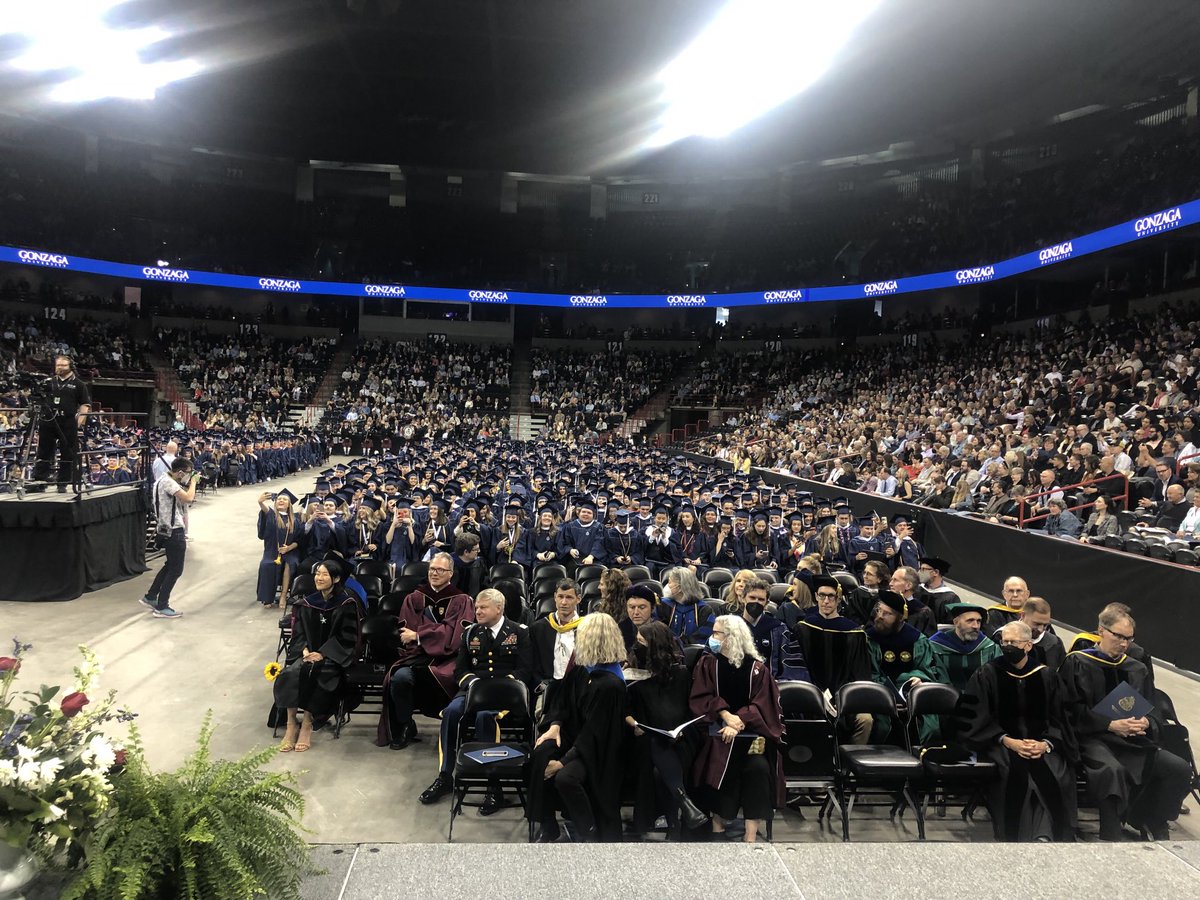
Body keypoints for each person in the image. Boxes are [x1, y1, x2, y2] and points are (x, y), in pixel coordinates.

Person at [1060, 607, 1192, 841]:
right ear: (1101, 631)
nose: (1123, 644)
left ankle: (1152, 819)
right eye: (1118, 636)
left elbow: (1153, 709)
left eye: (1129, 638)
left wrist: (1146, 722)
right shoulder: (1077, 662)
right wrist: (1109, 725)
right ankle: (1111, 836)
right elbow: (1067, 710)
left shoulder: (1137, 668)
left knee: (1179, 768)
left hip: (1132, 740)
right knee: (1112, 771)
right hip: (1091, 739)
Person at [961, 621, 1078, 842]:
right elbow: (975, 716)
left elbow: (1062, 717)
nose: (1007, 646)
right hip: (1000, 744)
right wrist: (1007, 740)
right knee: (1017, 776)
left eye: (1013, 642)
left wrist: (1046, 744)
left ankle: (1046, 836)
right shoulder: (987, 673)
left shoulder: (1047, 676)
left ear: (1028, 645)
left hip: (1040, 744)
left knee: (1055, 773)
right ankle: (1021, 838)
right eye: (1004, 641)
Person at [418, 589, 533, 812]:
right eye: (477, 607)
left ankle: (493, 785)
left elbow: (525, 670)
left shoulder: (519, 632)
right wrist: (474, 685)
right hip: (473, 690)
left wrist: (499, 688)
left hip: (505, 695)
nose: (477, 611)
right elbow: (460, 670)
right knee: (451, 712)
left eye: (483, 607)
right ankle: (445, 775)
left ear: (499, 609)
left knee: (485, 716)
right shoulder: (470, 633)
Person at [530, 614, 628, 843]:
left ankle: (589, 831)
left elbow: (595, 732)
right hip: (574, 735)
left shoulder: (611, 683)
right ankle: (547, 824)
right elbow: (562, 701)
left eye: (580, 635)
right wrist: (555, 726)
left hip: (598, 749)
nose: (576, 639)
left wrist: (563, 762)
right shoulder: (582, 670)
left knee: (565, 777)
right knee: (540, 754)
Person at [689, 615, 785, 843]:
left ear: (731, 637)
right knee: (723, 761)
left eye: (717, 633)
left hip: (751, 739)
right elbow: (701, 697)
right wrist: (725, 715)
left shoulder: (758, 669)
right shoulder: (708, 663)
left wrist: (739, 721)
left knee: (759, 770)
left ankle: (750, 837)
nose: (712, 638)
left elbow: (764, 705)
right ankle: (718, 828)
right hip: (716, 736)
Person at [376, 552, 475, 750]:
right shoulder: (414, 598)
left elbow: (455, 636)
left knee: (444, 677)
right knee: (399, 678)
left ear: (450, 573)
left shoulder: (462, 600)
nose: (434, 573)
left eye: (440, 570)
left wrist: (420, 635)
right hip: (416, 656)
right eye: (432, 569)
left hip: (448, 659)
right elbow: (406, 634)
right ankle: (405, 725)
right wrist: (428, 635)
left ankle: (452, 727)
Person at [624, 620, 708, 834]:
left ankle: (676, 818)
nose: (636, 646)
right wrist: (635, 725)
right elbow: (626, 711)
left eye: (642, 642)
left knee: (662, 767)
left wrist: (680, 731)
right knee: (656, 751)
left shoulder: (681, 673)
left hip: (682, 736)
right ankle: (682, 809)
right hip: (645, 737)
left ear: (655, 646)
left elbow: (688, 709)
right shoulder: (632, 674)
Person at [274, 560, 362, 753]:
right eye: (317, 574)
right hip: (306, 655)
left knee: (316, 674)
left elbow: (347, 637)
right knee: (290, 673)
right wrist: (304, 650)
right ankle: (291, 724)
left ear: (336, 579)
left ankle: (307, 723)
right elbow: (298, 632)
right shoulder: (307, 603)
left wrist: (323, 653)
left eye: (324, 574)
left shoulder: (346, 604)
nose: (319, 578)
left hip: (331, 658)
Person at [793, 575, 871, 743]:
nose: (826, 601)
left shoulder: (854, 633)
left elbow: (860, 673)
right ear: (816, 596)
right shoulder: (804, 628)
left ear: (838, 599)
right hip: (812, 694)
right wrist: (815, 693)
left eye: (831, 596)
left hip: (844, 697)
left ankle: (849, 758)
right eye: (822, 595)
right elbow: (798, 667)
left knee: (866, 719)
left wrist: (842, 698)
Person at [865, 589, 940, 742]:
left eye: (887, 613)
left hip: (911, 696)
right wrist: (889, 697)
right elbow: (868, 674)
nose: (880, 616)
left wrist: (918, 680)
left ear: (901, 618)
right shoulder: (868, 639)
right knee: (880, 726)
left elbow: (926, 670)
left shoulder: (917, 640)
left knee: (931, 726)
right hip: (878, 697)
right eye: (879, 610)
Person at [140, 456, 199, 619]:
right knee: (176, 570)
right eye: (188, 473)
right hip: (174, 530)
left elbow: (181, 501)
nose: (189, 476)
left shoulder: (161, 480)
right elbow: (188, 498)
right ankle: (162, 606)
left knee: (169, 565)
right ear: (180, 472)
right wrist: (194, 482)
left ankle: (151, 596)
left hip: (166, 529)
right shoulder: (169, 482)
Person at [33, 354, 91, 491]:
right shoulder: (48, 382)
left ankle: (62, 483)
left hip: (67, 421)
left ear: (71, 366)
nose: (60, 367)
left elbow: (85, 405)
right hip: (48, 420)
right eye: (58, 365)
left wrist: (79, 423)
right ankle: (40, 481)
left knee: (67, 452)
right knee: (44, 451)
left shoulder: (79, 384)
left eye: (63, 365)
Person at [529, 579, 584, 712]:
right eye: (560, 597)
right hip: (547, 691)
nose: (563, 602)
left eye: (569, 597)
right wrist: (542, 686)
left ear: (578, 599)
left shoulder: (587, 628)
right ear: (555, 597)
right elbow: (531, 664)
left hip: (579, 690)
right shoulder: (538, 628)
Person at [928, 602, 1002, 692]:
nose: (976, 626)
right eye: (970, 621)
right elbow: (935, 676)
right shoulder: (936, 645)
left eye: (978, 621)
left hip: (981, 696)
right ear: (956, 622)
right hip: (945, 695)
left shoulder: (989, 647)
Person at [255, 489, 302, 608]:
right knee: (267, 565)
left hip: (290, 552)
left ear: (289, 504)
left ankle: (283, 595)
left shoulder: (295, 520)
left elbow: (299, 540)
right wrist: (260, 502)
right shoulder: (272, 515)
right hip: (272, 551)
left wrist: (289, 548)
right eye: (279, 499)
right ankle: (267, 598)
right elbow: (265, 510)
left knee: (290, 564)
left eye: (284, 499)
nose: (281, 500)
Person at [659, 566, 715, 644]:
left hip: (694, 650)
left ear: (680, 586)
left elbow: (705, 635)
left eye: (670, 582)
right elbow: (657, 631)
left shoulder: (704, 610)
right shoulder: (663, 605)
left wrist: (682, 643)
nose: (668, 586)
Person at [1021, 597, 1065, 670]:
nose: (1041, 630)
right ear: (1023, 615)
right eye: (1037, 624)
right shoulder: (1004, 638)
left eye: (1045, 625)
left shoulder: (1055, 643)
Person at [915, 556, 960, 624]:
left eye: (923, 569)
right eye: (920, 569)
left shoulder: (951, 598)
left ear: (936, 572)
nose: (919, 572)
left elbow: (951, 624)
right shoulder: (917, 590)